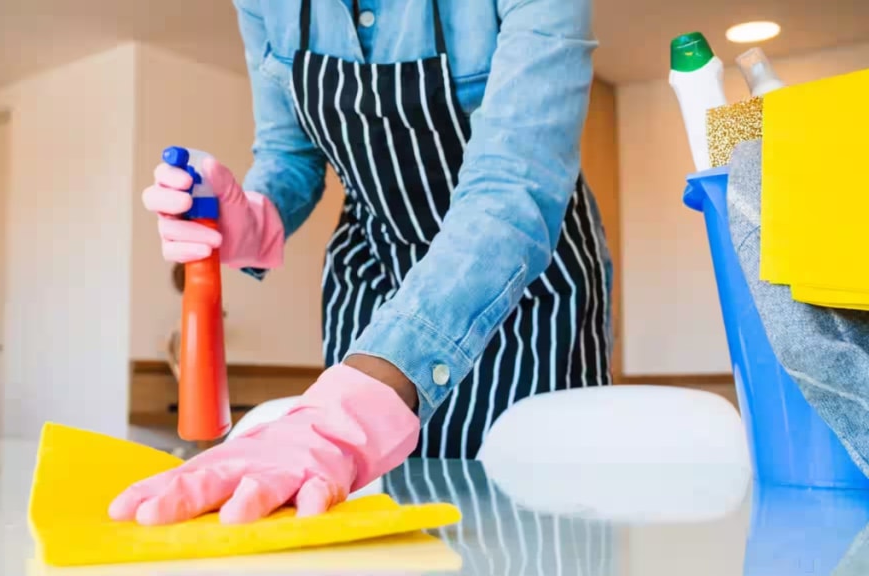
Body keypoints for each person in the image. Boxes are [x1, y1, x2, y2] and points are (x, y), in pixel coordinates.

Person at [109, 0, 611, 526]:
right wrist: (250, 222)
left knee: (523, 526)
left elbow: (512, 185)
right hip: (373, 273)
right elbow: (290, 155)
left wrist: (345, 416)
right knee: (376, 527)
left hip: (527, 292)